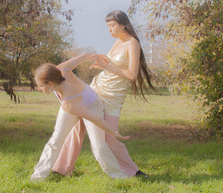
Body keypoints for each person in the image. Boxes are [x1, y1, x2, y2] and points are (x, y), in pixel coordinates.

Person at [52, 10, 154, 177]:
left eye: (112, 25)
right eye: (108, 26)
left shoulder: (132, 43)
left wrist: (106, 66)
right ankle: (61, 171)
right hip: (96, 90)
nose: (109, 29)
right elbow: (113, 65)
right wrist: (102, 65)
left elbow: (131, 74)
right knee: (77, 129)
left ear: (123, 25)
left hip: (113, 97)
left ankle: (133, 172)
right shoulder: (117, 42)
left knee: (110, 139)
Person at [30, 54, 131, 181]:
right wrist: (92, 57)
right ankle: (37, 177)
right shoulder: (59, 71)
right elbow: (83, 56)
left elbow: (97, 119)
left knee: (98, 147)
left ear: (50, 83)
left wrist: (115, 134)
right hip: (73, 102)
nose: (39, 89)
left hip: (92, 106)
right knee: (56, 139)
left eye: (40, 85)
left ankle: (121, 177)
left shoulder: (68, 102)